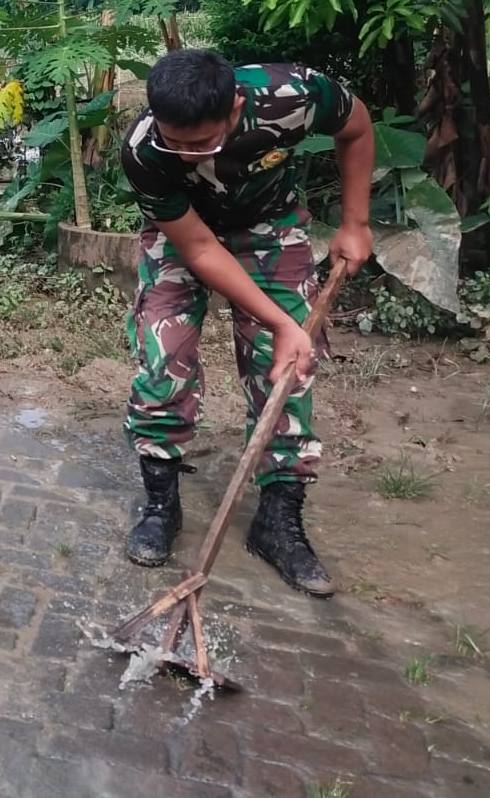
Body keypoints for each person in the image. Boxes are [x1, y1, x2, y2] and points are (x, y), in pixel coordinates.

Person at [119, 49, 373, 596]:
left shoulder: (292, 96)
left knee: (287, 372)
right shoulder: (143, 151)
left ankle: (277, 521)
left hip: (269, 227)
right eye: (175, 142)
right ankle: (161, 505)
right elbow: (199, 247)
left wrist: (355, 223)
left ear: (235, 107)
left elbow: (357, 125)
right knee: (164, 365)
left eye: (201, 143)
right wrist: (283, 319)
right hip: (184, 236)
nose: (186, 155)